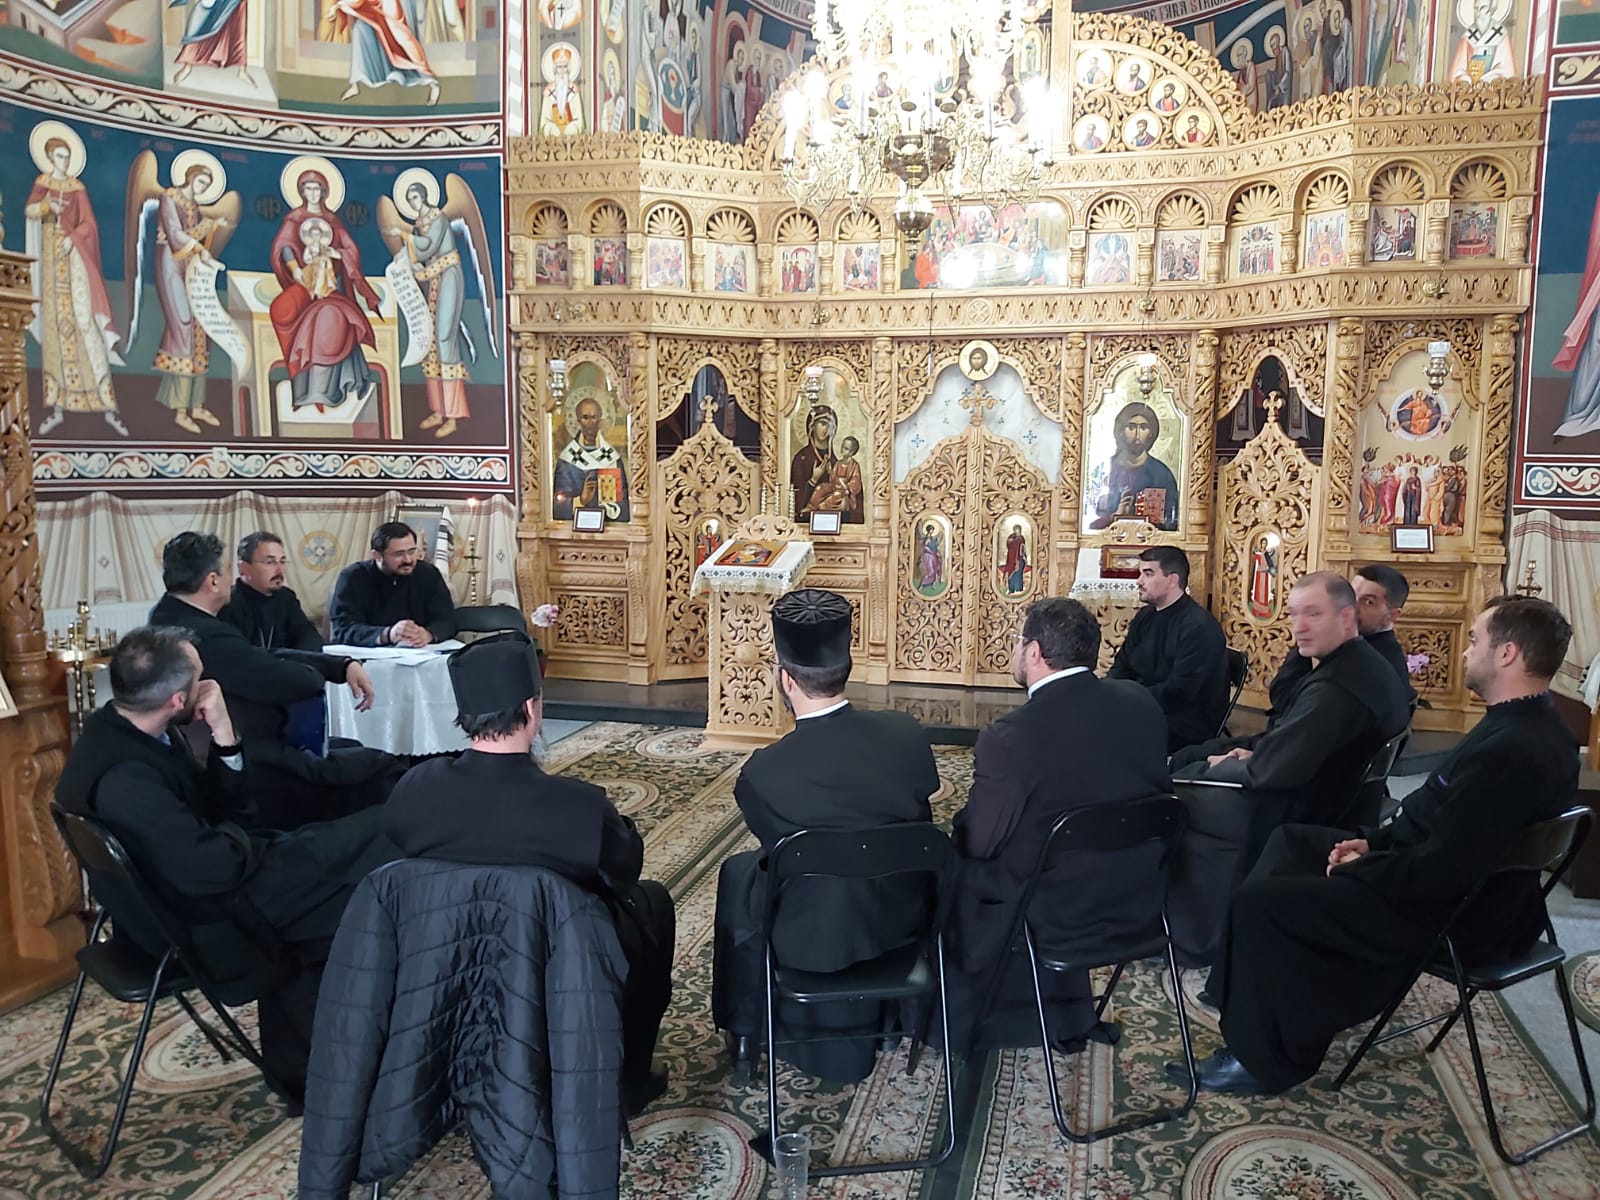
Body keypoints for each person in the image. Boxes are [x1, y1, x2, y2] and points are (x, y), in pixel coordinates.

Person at [1188, 597, 1580, 1093]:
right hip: (1466, 889)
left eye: (1475, 640)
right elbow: (1439, 819)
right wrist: (1371, 843)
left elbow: (1443, 870)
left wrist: (1361, 868)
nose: (1465, 652)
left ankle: (1264, 1059)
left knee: (1262, 903)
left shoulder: (1512, 749)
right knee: (1292, 842)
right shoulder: (1533, 724)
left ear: (1507, 654)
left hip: (1458, 917)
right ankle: (1249, 999)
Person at [54, 626, 397, 1102]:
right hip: (203, 919)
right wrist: (246, 839)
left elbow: (219, 814)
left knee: (355, 845)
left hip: (201, 887)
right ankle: (326, 1077)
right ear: (179, 700)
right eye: (201, 678)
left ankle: (308, 1074)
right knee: (362, 878)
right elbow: (215, 867)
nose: (210, 684)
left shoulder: (122, 730)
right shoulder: (126, 780)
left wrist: (226, 738)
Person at [382, 637, 675, 1114]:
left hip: (442, 957)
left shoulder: (415, 788)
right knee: (652, 903)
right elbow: (623, 872)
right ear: (531, 709)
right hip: (556, 966)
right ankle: (627, 1079)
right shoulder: (577, 805)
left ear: (464, 714)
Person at [712, 589, 940, 1081]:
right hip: (901, 924)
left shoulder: (763, 775)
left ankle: (746, 1032)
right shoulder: (906, 735)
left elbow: (781, 853)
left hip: (813, 945)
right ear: (847, 666)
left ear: (785, 679)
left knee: (739, 874)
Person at [947, 597, 1171, 1052]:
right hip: (1140, 895)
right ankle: (1068, 1013)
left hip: (1052, 912)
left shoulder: (1011, 736)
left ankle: (975, 1019)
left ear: (1033, 652)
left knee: (953, 870)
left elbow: (981, 842)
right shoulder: (1140, 702)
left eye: (1018, 642)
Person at [1167, 573, 1414, 964]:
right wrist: (1253, 756)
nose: (1299, 626)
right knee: (1202, 757)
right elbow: (1290, 742)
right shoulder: (1361, 664)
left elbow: (1270, 774)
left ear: (1346, 617)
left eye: (1313, 614)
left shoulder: (1337, 688)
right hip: (1331, 795)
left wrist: (1223, 765)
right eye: (1294, 614)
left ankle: (1193, 938)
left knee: (1171, 795)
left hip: (1295, 808)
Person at [152, 532, 399, 830]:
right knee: (384, 767)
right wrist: (315, 674)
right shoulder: (205, 633)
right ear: (213, 581)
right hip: (257, 765)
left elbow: (258, 655)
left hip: (240, 750)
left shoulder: (168, 617)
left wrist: (339, 665)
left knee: (350, 746)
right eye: (227, 571)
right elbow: (295, 682)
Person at [25, 134, 126, 437]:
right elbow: (31, 210)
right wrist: (46, 206)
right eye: (59, 156)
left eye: (67, 156)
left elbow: (89, 224)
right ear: (49, 157)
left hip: (75, 260)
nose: (64, 161)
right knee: (56, 329)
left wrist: (73, 238)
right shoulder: (43, 183)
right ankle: (57, 408)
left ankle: (107, 406)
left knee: (86, 323)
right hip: (50, 265)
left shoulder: (77, 188)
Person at [269, 170, 379, 415]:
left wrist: (336, 254)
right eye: (308, 188)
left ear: (324, 192)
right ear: (301, 192)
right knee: (286, 312)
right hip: (304, 285)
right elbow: (284, 246)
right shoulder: (294, 220)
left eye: (317, 189)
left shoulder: (333, 221)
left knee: (330, 320)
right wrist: (296, 270)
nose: (313, 193)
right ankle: (303, 389)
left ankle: (324, 391)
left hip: (332, 287)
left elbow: (350, 250)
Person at [1108, 546, 1230, 753]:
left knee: (1107, 730)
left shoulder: (1199, 626)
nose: (1139, 581)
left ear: (1172, 580)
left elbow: (1180, 691)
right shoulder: (1145, 616)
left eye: (1148, 574)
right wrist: (1109, 693)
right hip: (1145, 705)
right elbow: (1123, 664)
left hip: (1185, 719)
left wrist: (1127, 700)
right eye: (1140, 573)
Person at [1265, 564, 1413, 719]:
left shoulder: (1370, 662)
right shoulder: (1344, 643)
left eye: (1368, 602)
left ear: (1392, 615)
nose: (1352, 607)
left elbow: (1286, 701)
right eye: (1351, 596)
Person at [151, 162, 232, 432]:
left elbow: (191, 234)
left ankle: (196, 405)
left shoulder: (193, 205)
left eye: (206, 186)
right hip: (171, 265)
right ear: (190, 178)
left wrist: (211, 225)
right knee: (183, 327)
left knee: (200, 330)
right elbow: (175, 235)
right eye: (200, 183)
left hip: (189, 267)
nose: (202, 188)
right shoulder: (169, 197)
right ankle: (180, 411)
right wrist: (201, 244)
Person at [387, 177, 469, 438]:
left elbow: (428, 247)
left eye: (415, 197)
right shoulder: (419, 224)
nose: (413, 203)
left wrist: (403, 235)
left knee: (444, 339)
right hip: (433, 281)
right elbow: (418, 258)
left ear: (424, 197)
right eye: (409, 199)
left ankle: (453, 416)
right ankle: (438, 410)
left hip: (449, 277)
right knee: (430, 343)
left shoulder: (438, 218)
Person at [329, 522, 457, 647]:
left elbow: (448, 620)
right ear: (377, 555)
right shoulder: (353, 577)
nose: (408, 560)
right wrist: (387, 634)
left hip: (422, 653)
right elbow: (343, 627)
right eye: (399, 554)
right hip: (368, 655)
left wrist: (428, 634)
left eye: (412, 551)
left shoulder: (428, 573)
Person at [219, 531, 325, 652]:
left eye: (282, 562)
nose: (280, 570)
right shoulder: (228, 602)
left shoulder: (286, 598)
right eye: (270, 562)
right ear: (243, 568)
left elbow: (308, 636)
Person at [1088, 401, 1181, 530]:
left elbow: (1171, 521)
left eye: (1143, 428)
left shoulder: (1162, 475)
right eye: (1131, 427)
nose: (1137, 435)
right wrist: (1115, 516)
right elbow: (1089, 519)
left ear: (1151, 433)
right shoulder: (1103, 471)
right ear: (1120, 431)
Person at [552, 396, 631, 521]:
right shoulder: (567, 460)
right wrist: (581, 501)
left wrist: (608, 508)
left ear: (600, 420)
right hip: (574, 529)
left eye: (593, 417)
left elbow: (624, 505)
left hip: (608, 527)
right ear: (578, 421)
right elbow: (558, 505)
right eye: (585, 417)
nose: (589, 423)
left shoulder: (611, 458)